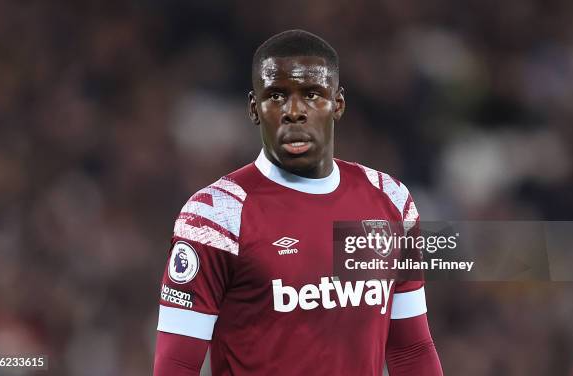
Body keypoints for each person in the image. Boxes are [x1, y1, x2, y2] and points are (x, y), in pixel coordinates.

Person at [154, 29, 443, 375]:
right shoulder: (215, 215)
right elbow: (177, 364)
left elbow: (411, 349)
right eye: (276, 96)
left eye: (312, 94)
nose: (294, 111)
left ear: (337, 104)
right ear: (254, 108)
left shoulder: (390, 201)